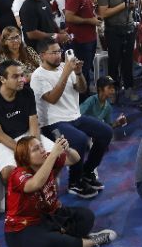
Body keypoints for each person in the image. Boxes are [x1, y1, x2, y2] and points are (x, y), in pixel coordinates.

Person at [3, 136, 116, 247]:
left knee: (86, 216)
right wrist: (54, 155)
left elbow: (75, 159)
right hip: (22, 230)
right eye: (36, 149)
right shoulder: (18, 175)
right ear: (25, 158)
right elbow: (35, 184)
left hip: (50, 217)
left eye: (41, 146)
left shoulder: (47, 159)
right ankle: (92, 242)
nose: (42, 150)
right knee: (46, 242)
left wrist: (67, 150)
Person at [30, 40, 112, 199]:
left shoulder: (63, 67)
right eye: (53, 53)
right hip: (51, 123)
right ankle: (74, 182)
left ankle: (87, 172)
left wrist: (79, 73)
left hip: (75, 117)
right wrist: (67, 72)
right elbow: (52, 98)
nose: (58, 55)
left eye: (59, 51)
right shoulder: (38, 76)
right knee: (80, 140)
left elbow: (82, 89)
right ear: (42, 55)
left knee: (105, 132)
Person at [0, 60, 56, 181]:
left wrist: (34, 145)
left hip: (27, 135)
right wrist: (25, 151)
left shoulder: (27, 92)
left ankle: (46, 188)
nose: (21, 79)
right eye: (15, 76)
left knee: (57, 156)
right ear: (2, 79)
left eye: (22, 75)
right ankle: (17, 197)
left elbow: (33, 123)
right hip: (2, 142)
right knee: (8, 173)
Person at [96, 0, 135, 96]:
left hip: (129, 27)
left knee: (128, 60)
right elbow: (103, 13)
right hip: (113, 30)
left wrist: (132, 5)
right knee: (114, 61)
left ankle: (129, 87)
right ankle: (113, 89)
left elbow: (131, 5)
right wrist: (124, 5)